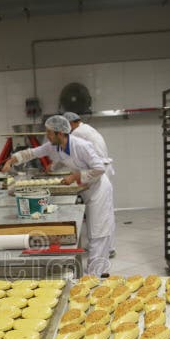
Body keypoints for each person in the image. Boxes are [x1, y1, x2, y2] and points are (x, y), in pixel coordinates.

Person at [2, 115, 115, 276]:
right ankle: (96, 271)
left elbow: (99, 169)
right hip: (86, 188)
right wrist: (11, 160)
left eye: (49, 133)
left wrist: (75, 176)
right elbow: (32, 153)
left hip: (98, 189)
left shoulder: (81, 145)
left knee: (98, 232)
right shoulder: (55, 146)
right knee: (93, 231)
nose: (47, 136)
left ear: (60, 133)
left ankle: (96, 274)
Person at [63, 111, 116, 258]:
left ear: (72, 123)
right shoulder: (85, 128)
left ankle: (106, 249)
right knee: (106, 214)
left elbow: (66, 151)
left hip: (99, 173)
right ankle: (109, 247)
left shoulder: (78, 133)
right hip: (102, 170)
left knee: (101, 217)